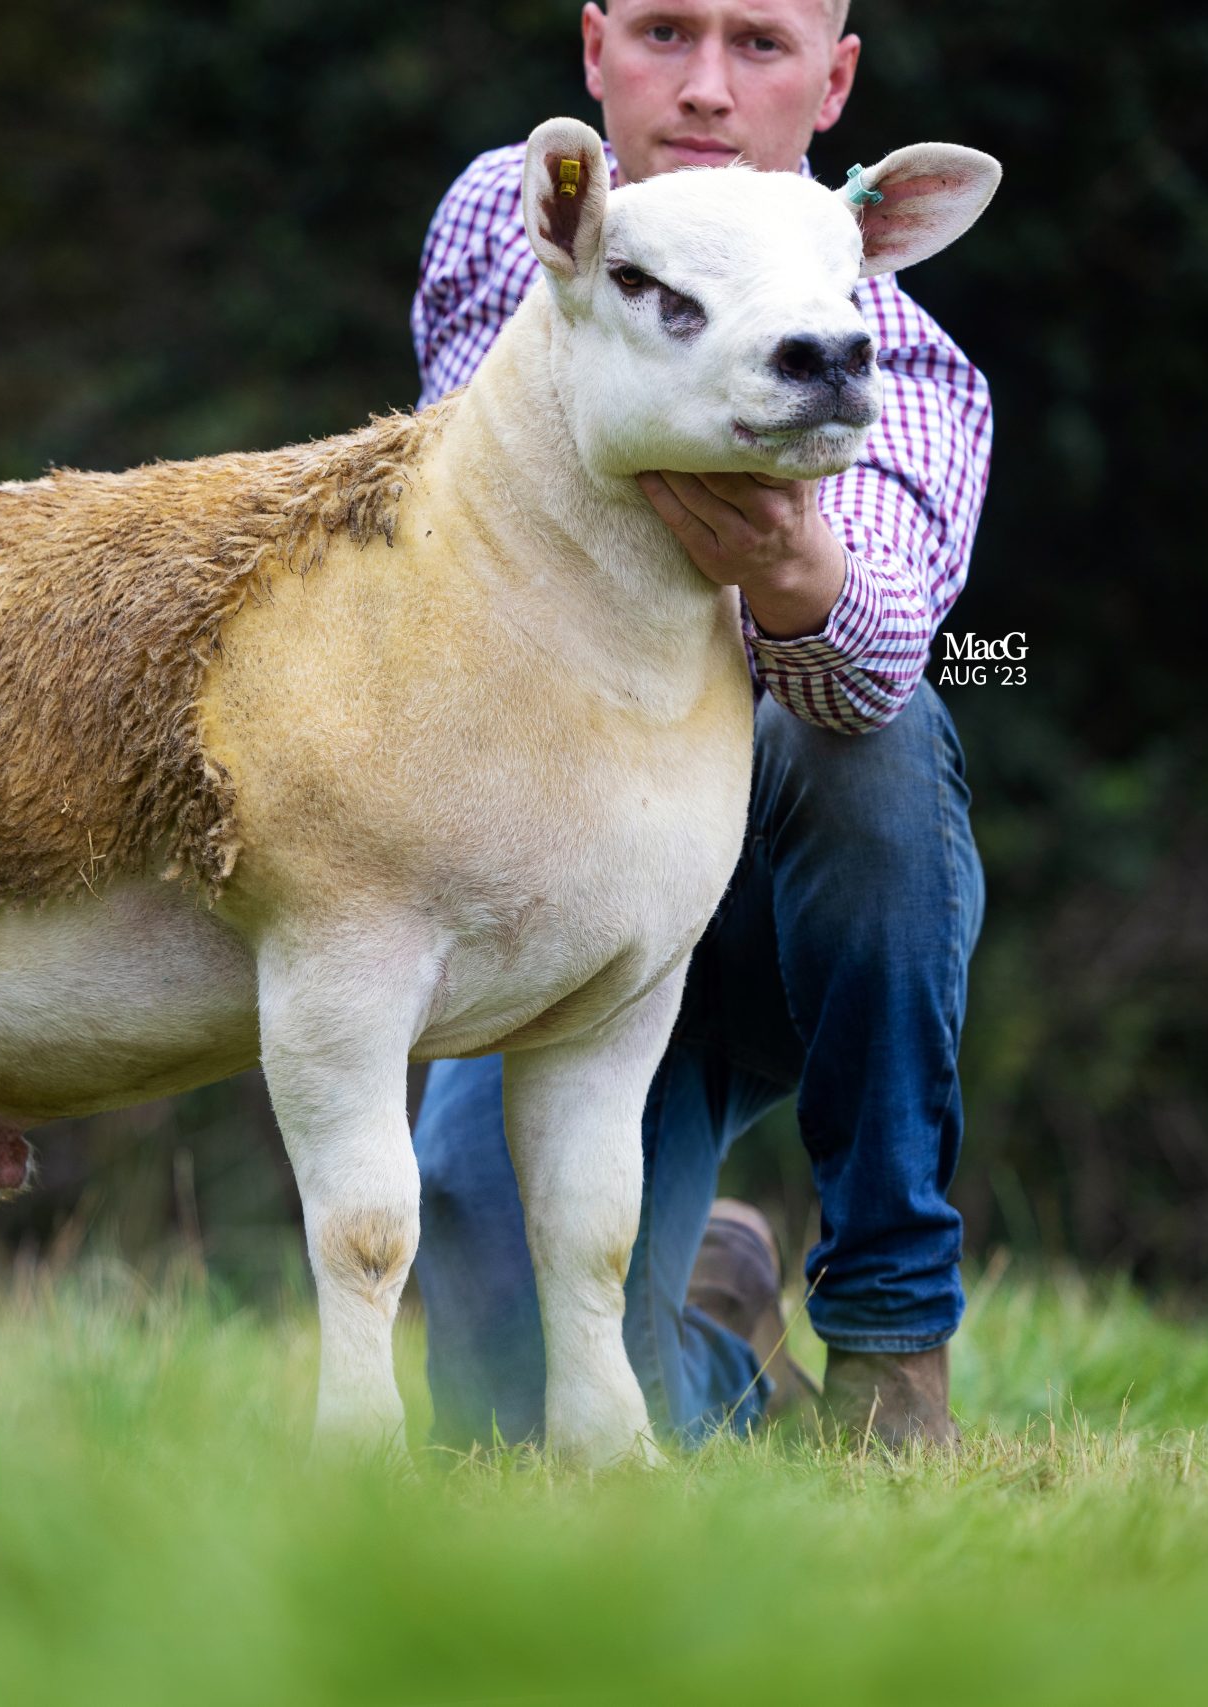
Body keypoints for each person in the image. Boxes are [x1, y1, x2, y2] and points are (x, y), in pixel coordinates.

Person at [407, 0, 991, 1450]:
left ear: (836, 81)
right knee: (518, 1421)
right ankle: (724, 1340)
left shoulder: (895, 356)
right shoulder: (511, 217)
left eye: (762, 45)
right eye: (667, 33)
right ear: (594, 49)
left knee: (877, 736)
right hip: (546, 879)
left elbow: (871, 668)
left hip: (762, 920)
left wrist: (797, 581)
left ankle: (889, 1343)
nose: (709, 90)